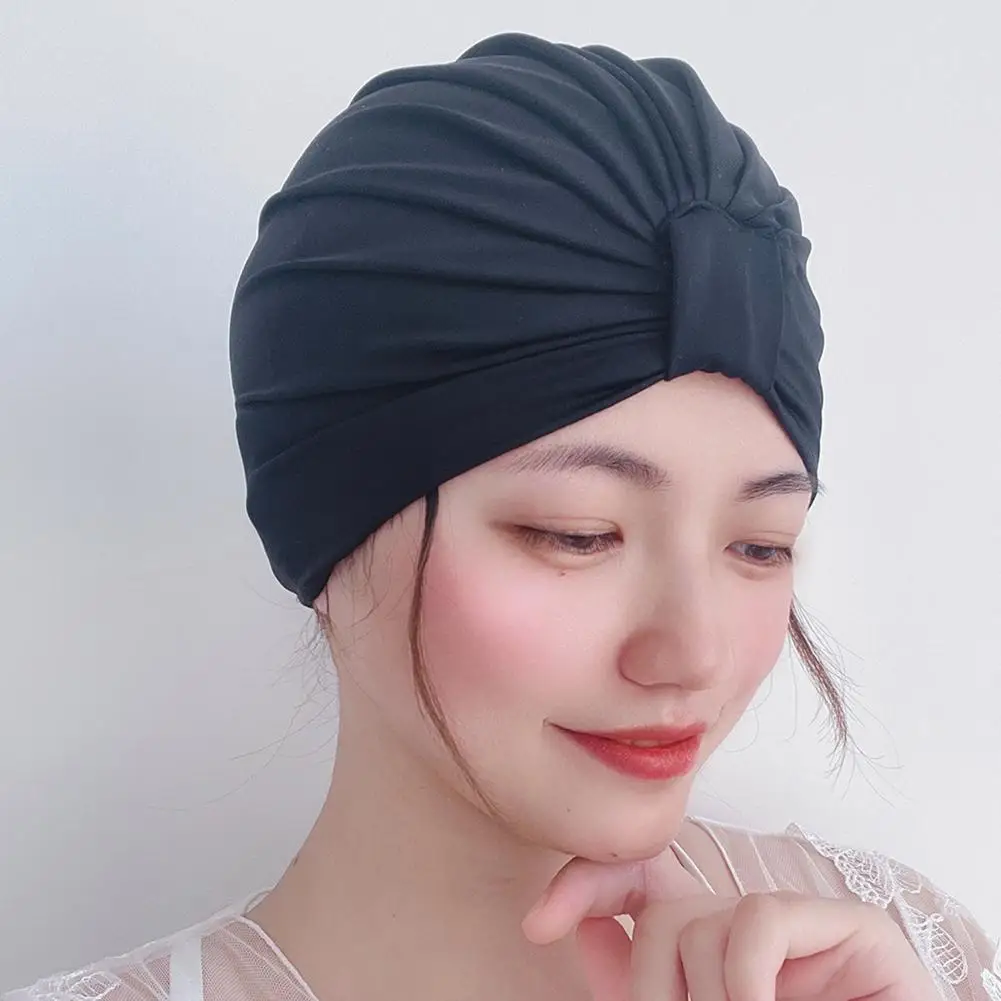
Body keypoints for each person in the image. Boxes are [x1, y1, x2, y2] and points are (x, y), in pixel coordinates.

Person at [7, 30, 998, 1001]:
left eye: (758, 544)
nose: (690, 652)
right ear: (331, 534)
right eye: (577, 533)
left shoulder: (892, 959)